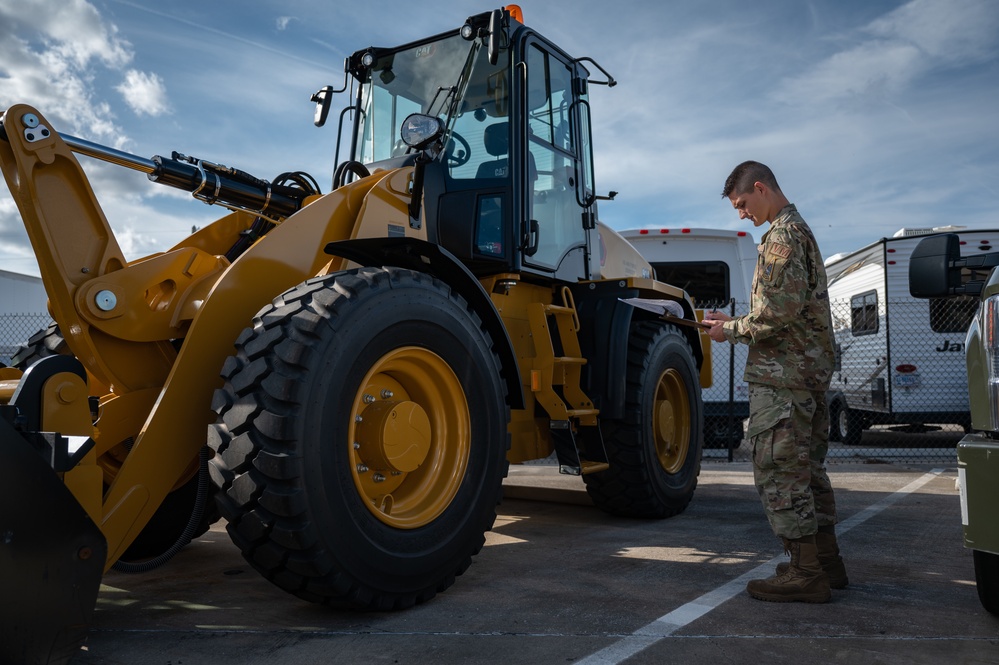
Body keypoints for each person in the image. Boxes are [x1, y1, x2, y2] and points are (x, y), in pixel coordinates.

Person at [703, 161, 847, 603]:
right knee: (807, 472)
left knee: (781, 473)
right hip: (802, 375)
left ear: (761, 188)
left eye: (743, 204)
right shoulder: (796, 230)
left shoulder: (782, 236)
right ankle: (825, 564)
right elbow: (789, 308)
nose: (742, 214)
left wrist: (727, 330)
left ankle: (806, 573)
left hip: (783, 378)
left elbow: (775, 314)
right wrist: (734, 321)